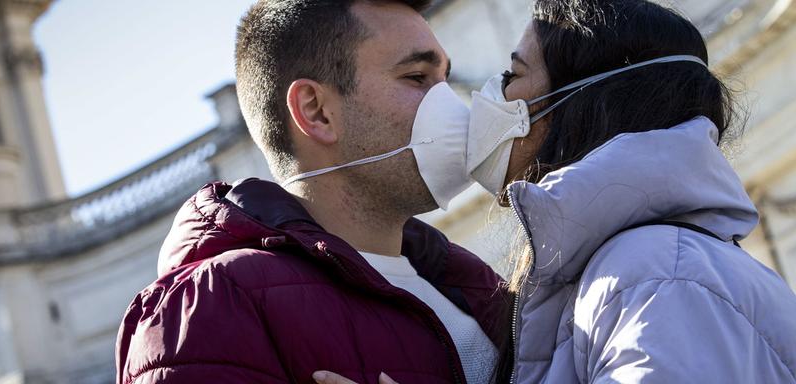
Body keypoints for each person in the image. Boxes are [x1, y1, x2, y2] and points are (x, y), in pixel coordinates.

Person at [316, 0, 796, 383]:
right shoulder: (641, 269)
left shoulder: (657, 275)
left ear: (578, 102)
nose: (485, 102)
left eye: (511, 75)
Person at [114, 1, 511, 383]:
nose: (453, 104)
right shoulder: (204, 310)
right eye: (417, 78)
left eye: (444, 78)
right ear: (316, 111)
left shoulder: (478, 286)